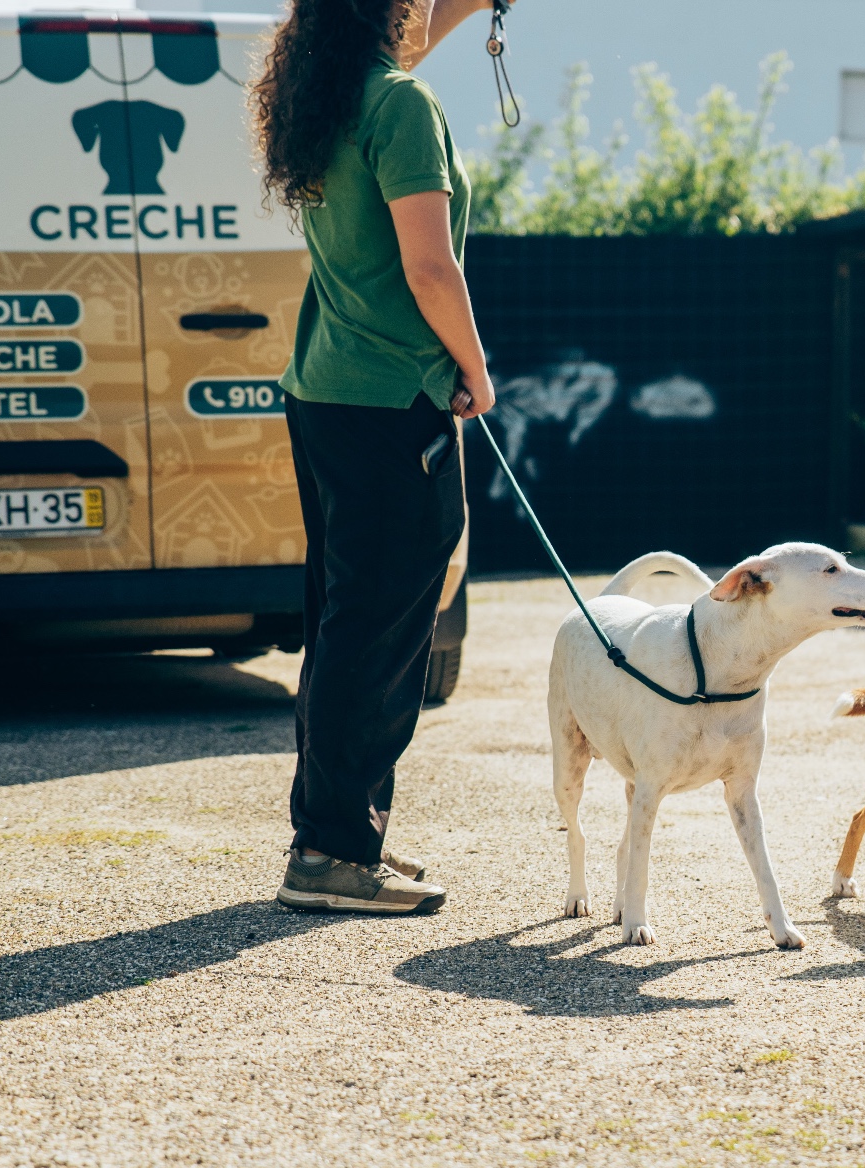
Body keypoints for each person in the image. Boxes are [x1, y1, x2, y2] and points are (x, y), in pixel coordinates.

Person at [251, 0, 506, 914]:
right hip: (395, 395)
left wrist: (467, 10)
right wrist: (476, 372)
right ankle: (330, 855)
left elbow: (388, 55)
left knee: (344, 621)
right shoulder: (401, 107)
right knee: (382, 630)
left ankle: (336, 836)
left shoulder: (324, 93)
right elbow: (431, 269)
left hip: (325, 392)